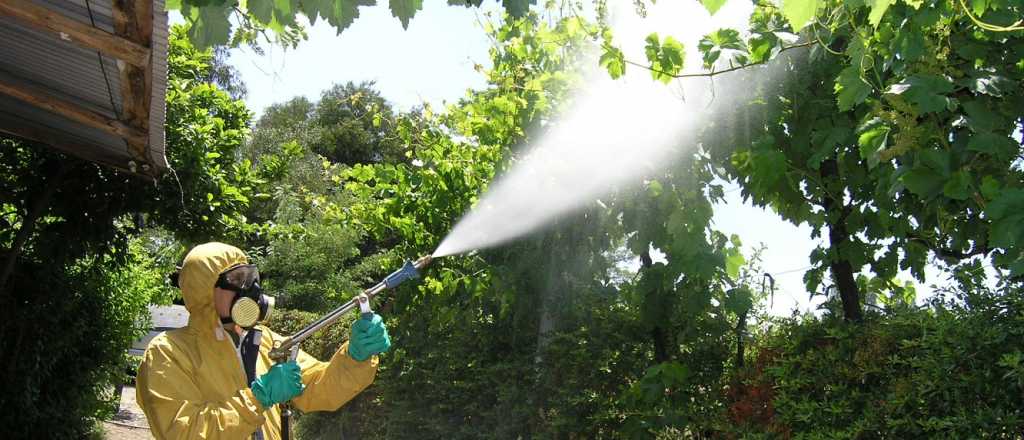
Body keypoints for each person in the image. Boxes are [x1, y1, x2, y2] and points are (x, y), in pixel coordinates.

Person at [136, 242, 391, 439]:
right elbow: (184, 432)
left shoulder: (264, 340)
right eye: (236, 280)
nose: (250, 289)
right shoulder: (169, 352)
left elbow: (319, 388)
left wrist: (356, 357)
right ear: (205, 292)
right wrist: (258, 399)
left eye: (250, 277)